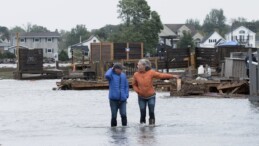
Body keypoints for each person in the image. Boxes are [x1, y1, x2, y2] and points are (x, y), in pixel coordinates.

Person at [132, 59, 179, 125]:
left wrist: (173, 76)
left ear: (144, 66)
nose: (137, 66)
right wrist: (138, 91)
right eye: (137, 65)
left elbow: (161, 75)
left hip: (151, 96)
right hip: (141, 97)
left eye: (139, 65)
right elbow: (134, 84)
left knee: (151, 112)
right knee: (142, 113)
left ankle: (152, 126)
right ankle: (142, 128)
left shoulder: (151, 72)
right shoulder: (136, 74)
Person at [105, 63, 129, 127]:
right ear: (116, 69)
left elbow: (126, 86)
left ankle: (124, 129)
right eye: (120, 69)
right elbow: (106, 75)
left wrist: (126, 95)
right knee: (114, 115)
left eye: (122, 69)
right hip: (113, 99)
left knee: (123, 114)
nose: (121, 70)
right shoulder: (111, 75)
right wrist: (111, 69)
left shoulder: (123, 75)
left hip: (123, 99)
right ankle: (113, 130)